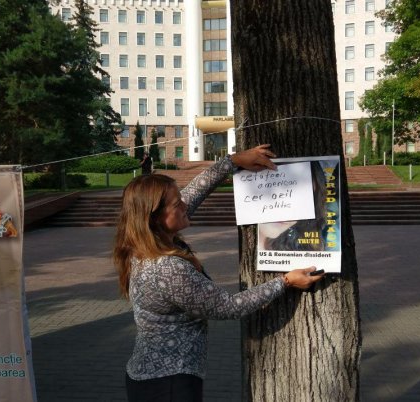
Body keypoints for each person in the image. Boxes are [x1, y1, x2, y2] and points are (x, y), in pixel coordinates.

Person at [114, 144, 325, 402]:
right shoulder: (166, 268)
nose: (184, 204)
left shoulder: (143, 243)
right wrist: (285, 281)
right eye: (176, 203)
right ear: (155, 217)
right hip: (168, 383)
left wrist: (233, 160)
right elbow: (227, 307)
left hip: (152, 375)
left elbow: (194, 192)